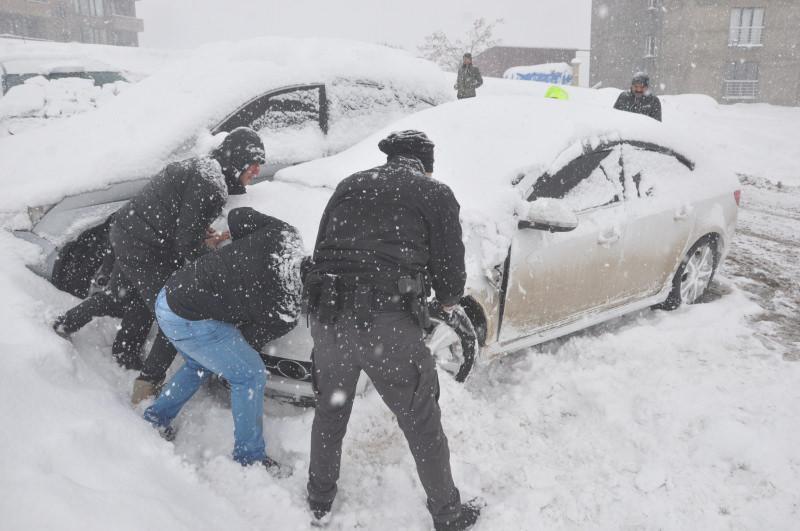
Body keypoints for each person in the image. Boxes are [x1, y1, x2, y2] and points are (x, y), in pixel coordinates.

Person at [304, 130, 482, 530]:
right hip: (387, 323)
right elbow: (451, 278)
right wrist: (447, 299)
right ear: (424, 163)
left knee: (330, 410)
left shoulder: (350, 185)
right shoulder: (434, 194)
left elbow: (320, 252)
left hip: (329, 317)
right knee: (421, 420)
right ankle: (449, 516)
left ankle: (318, 499)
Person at [53, 127, 266, 400]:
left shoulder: (205, 169)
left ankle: (108, 344)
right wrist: (214, 258)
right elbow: (186, 244)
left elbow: (180, 216)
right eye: (254, 163)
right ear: (237, 160)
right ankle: (146, 392)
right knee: (172, 312)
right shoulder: (210, 184)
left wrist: (201, 233)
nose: (258, 171)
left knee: (124, 297)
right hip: (144, 246)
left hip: (129, 231)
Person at [143, 207, 304, 475]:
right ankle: (249, 458)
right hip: (190, 319)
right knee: (249, 375)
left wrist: (237, 244)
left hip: (171, 296)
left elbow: (239, 215)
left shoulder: (286, 235)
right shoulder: (286, 312)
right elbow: (246, 340)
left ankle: (156, 417)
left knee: (200, 362)